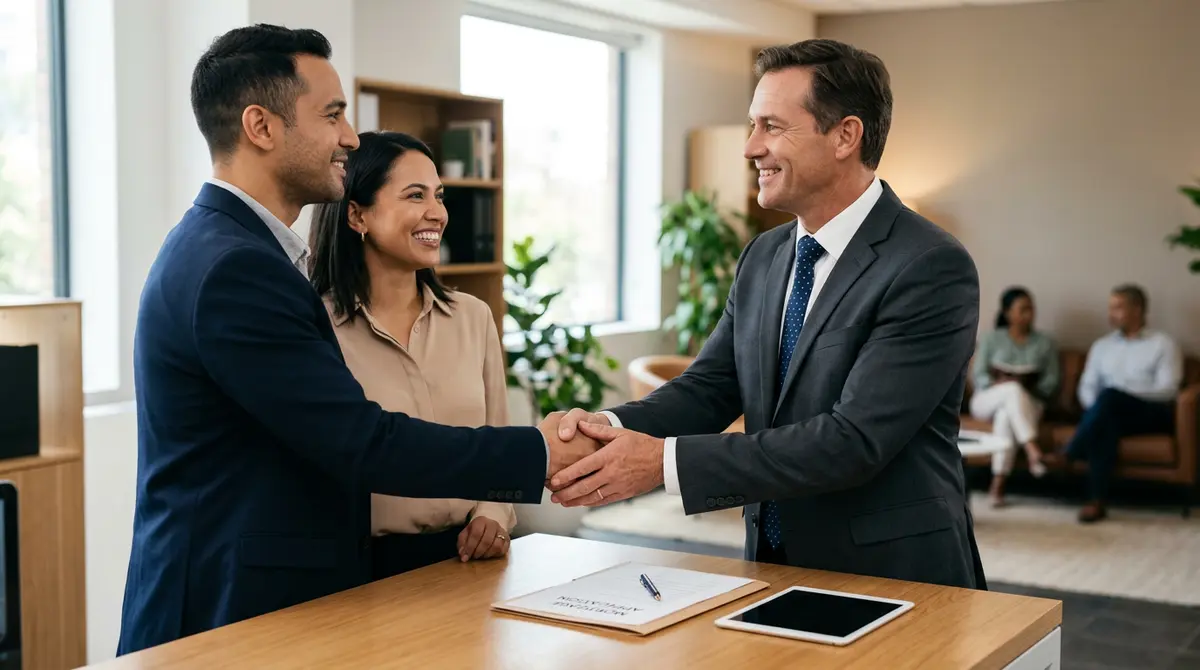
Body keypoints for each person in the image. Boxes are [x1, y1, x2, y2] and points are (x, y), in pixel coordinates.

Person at [118, 25, 594, 655]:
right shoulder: (237, 267)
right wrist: (536, 454)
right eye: (333, 114)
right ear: (261, 127)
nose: (349, 137)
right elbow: (361, 441)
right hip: (226, 609)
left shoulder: (227, 247)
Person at [549, 39, 987, 590]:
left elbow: (853, 440)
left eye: (771, 127)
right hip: (773, 561)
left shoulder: (929, 264)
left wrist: (663, 463)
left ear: (845, 136)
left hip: (895, 573)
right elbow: (710, 387)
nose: (751, 147)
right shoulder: (764, 255)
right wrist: (603, 429)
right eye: (752, 125)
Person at [308, 131, 516, 579]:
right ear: (357, 215)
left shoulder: (473, 317)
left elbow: (502, 439)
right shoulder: (315, 328)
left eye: (438, 196)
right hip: (360, 572)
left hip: (471, 563)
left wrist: (494, 517)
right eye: (415, 195)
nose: (437, 213)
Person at [1059, 284, 1181, 523]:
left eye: (1117, 308)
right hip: (1109, 413)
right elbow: (1087, 386)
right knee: (1105, 421)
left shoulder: (1163, 344)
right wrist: (1099, 407)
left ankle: (1070, 452)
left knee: (1110, 399)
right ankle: (1096, 502)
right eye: (1110, 308)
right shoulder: (1102, 346)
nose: (1111, 313)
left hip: (1149, 413)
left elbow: (1168, 390)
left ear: (1138, 309)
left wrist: (1119, 395)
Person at [968, 286, 1060, 507]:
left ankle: (998, 483)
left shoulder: (1045, 343)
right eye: (1023, 309)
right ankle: (1032, 449)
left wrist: (1028, 388)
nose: (1029, 313)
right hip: (987, 399)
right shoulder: (991, 339)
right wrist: (997, 383)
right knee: (1010, 390)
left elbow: (1051, 381)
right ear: (1008, 313)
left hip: (1029, 402)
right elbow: (978, 374)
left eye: (1031, 308)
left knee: (1006, 415)